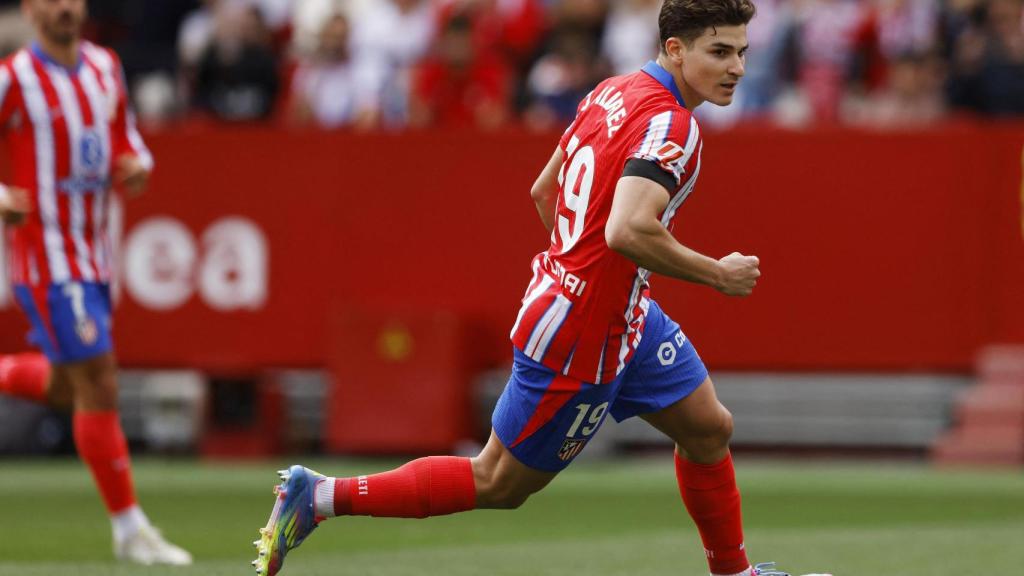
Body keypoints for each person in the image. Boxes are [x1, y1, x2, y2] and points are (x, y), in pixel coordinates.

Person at [252, 2, 832, 576]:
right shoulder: (674, 123)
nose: (736, 68)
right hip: (583, 334)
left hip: (615, 313)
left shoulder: (614, 89)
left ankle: (734, 574)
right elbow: (627, 228)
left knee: (709, 428)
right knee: (499, 481)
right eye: (720, 52)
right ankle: (321, 497)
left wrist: (588, 272)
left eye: (742, 53)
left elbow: (543, 190)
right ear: (675, 50)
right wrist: (716, 274)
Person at [0, 0, 191, 566]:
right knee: (101, 382)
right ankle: (129, 526)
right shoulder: (14, 79)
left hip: (95, 255)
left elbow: (124, 139)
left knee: (70, 388)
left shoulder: (107, 67)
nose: (65, 8)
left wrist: (137, 164)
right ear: (31, 9)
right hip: (47, 258)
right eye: (52, 0)